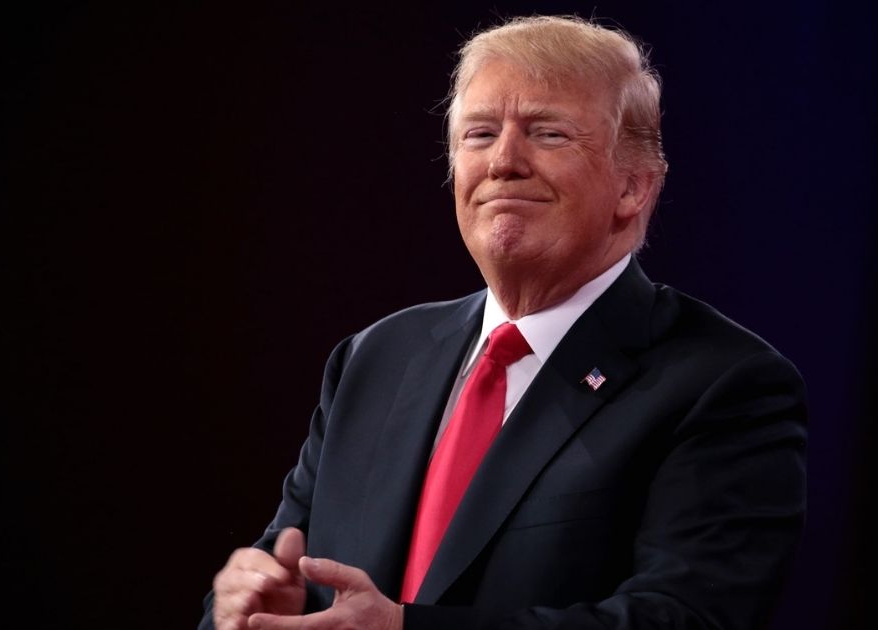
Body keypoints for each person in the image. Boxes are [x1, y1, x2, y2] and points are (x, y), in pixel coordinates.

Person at [201, 15, 807, 630]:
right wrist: (247, 607)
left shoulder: (723, 385)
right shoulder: (376, 356)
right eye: (480, 133)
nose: (504, 162)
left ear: (633, 186)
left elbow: (684, 619)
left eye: (547, 133)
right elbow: (285, 562)